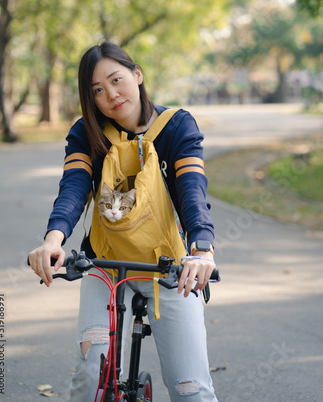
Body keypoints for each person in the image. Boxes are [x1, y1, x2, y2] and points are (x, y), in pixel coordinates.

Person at [29, 42, 219, 402]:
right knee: (90, 378)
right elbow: (73, 188)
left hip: (171, 269)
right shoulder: (87, 132)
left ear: (137, 74)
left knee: (190, 390)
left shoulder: (177, 126)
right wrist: (53, 240)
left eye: (116, 80)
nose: (111, 95)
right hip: (104, 264)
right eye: (97, 90)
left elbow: (193, 191)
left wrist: (202, 250)